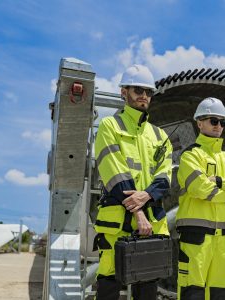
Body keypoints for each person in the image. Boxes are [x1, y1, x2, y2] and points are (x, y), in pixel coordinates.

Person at [93, 64, 173, 300]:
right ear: (123, 92)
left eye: (148, 92)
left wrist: (146, 196)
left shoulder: (159, 136)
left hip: (151, 223)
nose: (144, 96)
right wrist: (139, 213)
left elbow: (164, 178)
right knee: (108, 282)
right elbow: (115, 174)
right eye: (138, 89)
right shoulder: (110, 126)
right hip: (119, 222)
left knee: (147, 285)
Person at [176, 97, 225, 300]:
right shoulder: (190, 156)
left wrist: (219, 181)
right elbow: (200, 188)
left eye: (223, 122)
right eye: (214, 120)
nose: (219, 126)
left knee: (220, 293)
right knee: (192, 291)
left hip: (224, 240)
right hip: (196, 238)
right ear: (199, 122)